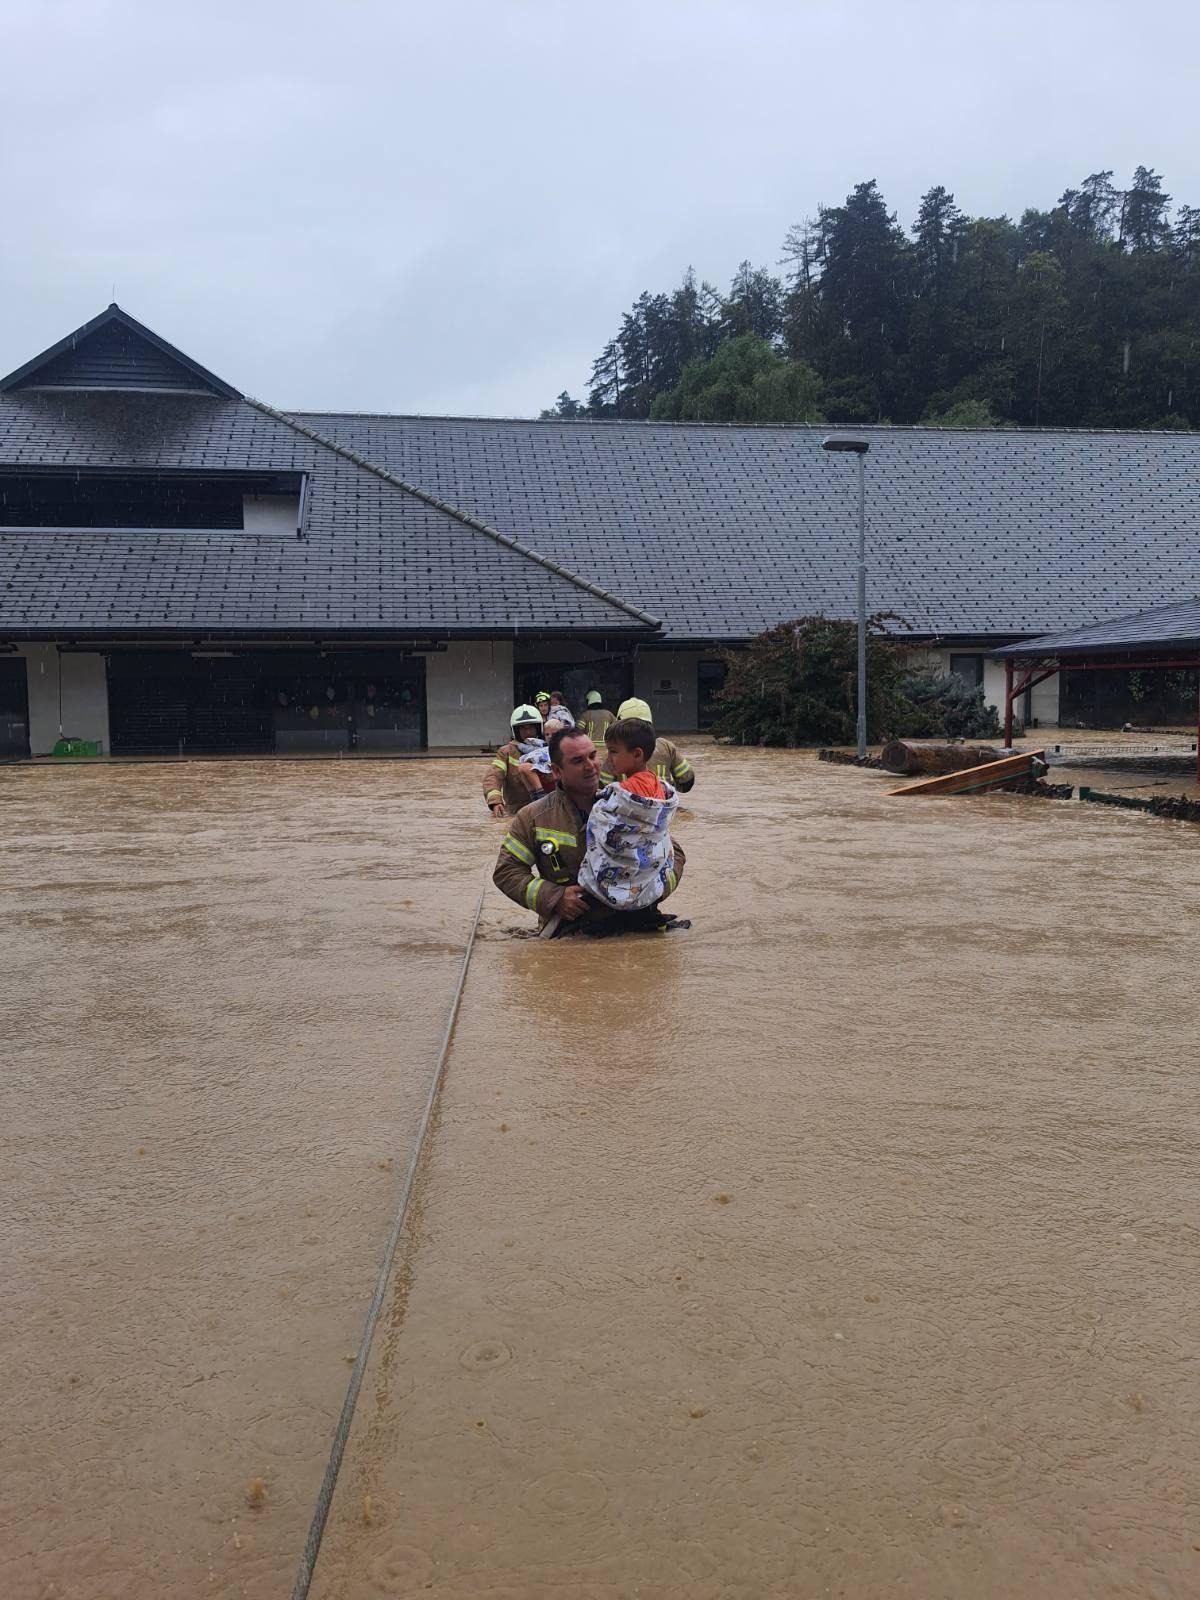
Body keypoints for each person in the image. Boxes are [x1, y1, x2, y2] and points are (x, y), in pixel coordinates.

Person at [494, 725, 685, 933]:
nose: (591, 766)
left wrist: (653, 891)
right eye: (578, 761)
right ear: (556, 771)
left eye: (593, 756)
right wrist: (554, 898)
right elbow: (507, 871)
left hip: (640, 926)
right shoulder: (533, 817)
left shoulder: (629, 805)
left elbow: (675, 854)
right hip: (573, 933)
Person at [598, 697, 695, 793]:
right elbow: (687, 781)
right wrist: (668, 787)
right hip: (663, 803)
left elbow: (602, 788)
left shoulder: (615, 754)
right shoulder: (666, 746)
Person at [483, 704, 549, 816]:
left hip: (546, 808)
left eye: (531, 727)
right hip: (517, 811)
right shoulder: (506, 752)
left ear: (539, 728)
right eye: (523, 728)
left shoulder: (548, 749)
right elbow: (493, 777)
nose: (528, 732)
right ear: (516, 731)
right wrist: (495, 802)